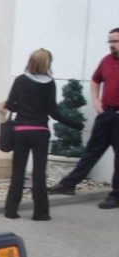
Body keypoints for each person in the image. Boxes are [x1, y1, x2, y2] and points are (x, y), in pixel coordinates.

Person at [0, 49, 83, 220]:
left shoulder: (20, 81)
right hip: (40, 133)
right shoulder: (50, 84)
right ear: (47, 64)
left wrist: (19, 106)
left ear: (30, 61)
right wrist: (75, 124)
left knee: (18, 171)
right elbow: (54, 112)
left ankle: (11, 210)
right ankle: (41, 212)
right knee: (38, 173)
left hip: (21, 131)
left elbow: (11, 105)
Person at [49, 28, 119, 208]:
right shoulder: (106, 61)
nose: (111, 45)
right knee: (91, 151)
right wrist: (96, 101)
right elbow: (95, 81)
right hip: (106, 115)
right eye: (109, 41)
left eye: (115, 41)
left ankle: (116, 196)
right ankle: (68, 184)